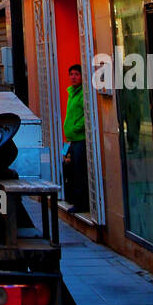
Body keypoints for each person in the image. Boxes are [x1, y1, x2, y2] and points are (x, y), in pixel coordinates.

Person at [63, 63, 88, 212]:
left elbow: (87, 114)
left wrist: (76, 127)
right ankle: (72, 198)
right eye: (71, 74)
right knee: (70, 168)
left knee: (79, 171)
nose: (73, 77)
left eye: (76, 74)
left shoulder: (83, 94)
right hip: (71, 139)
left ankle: (81, 203)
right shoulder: (71, 92)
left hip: (80, 139)